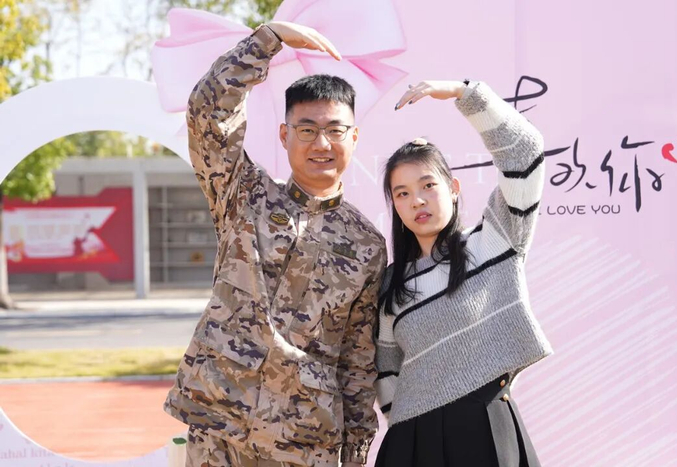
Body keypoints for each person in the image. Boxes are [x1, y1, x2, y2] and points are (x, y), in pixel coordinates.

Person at [163, 21, 387, 467]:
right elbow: (207, 114)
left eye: (335, 130)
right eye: (307, 130)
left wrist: (356, 453)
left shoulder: (367, 244)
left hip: (302, 439)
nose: (321, 143)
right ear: (284, 136)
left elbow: (357, 360)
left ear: (354, 138)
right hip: (220, 426)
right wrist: (267, 40)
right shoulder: (245, 195)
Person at [374, 79, 553, 466]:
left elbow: (525, 150)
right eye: (402, 193)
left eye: (427, 185)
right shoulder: (391, 284)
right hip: (412, 440)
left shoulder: (495, 238)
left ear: (453, 187)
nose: (417, 200)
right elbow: (386, 371)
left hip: (485, 427)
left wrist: (463, 92)